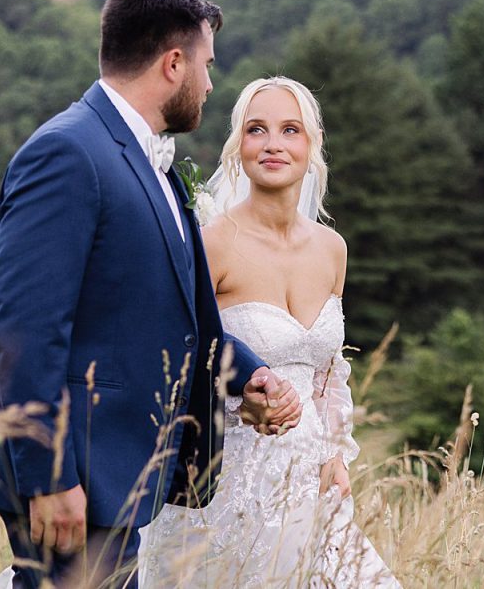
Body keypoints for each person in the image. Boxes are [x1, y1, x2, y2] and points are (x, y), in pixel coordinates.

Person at [0, 0, 305, 589]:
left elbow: (175, 316)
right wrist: (49, 477)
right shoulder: (67, 153)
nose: (210, 83)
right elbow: (25, 331)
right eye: (206, 65)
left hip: (116, 469)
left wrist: (247, 371)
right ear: (174, 63)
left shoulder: (156, 167)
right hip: (72, 470)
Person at [138, 77, 400, 587]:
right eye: (257, 130)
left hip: (312, 485)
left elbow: (328, 373)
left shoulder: (332, 249)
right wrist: (238, 402)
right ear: (238, 146)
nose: (273, 144)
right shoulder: (210, 244)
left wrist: (335, 454)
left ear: (313, 145)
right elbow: (176, 359)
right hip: (222, 484)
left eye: (290, 130)